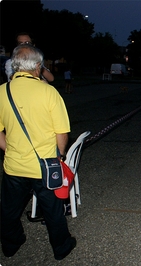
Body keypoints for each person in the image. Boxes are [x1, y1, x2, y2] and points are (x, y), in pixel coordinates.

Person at [0, 44, 76, 260]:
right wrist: (58, 156)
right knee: (52, 210)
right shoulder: (48, 92)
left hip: (14, 167)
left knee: (9, 210)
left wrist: (11, 151)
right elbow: (62, 133)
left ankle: (10, 245)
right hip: (44, 166)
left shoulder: (1, 92)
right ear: (37, 66)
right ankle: (61, 248)